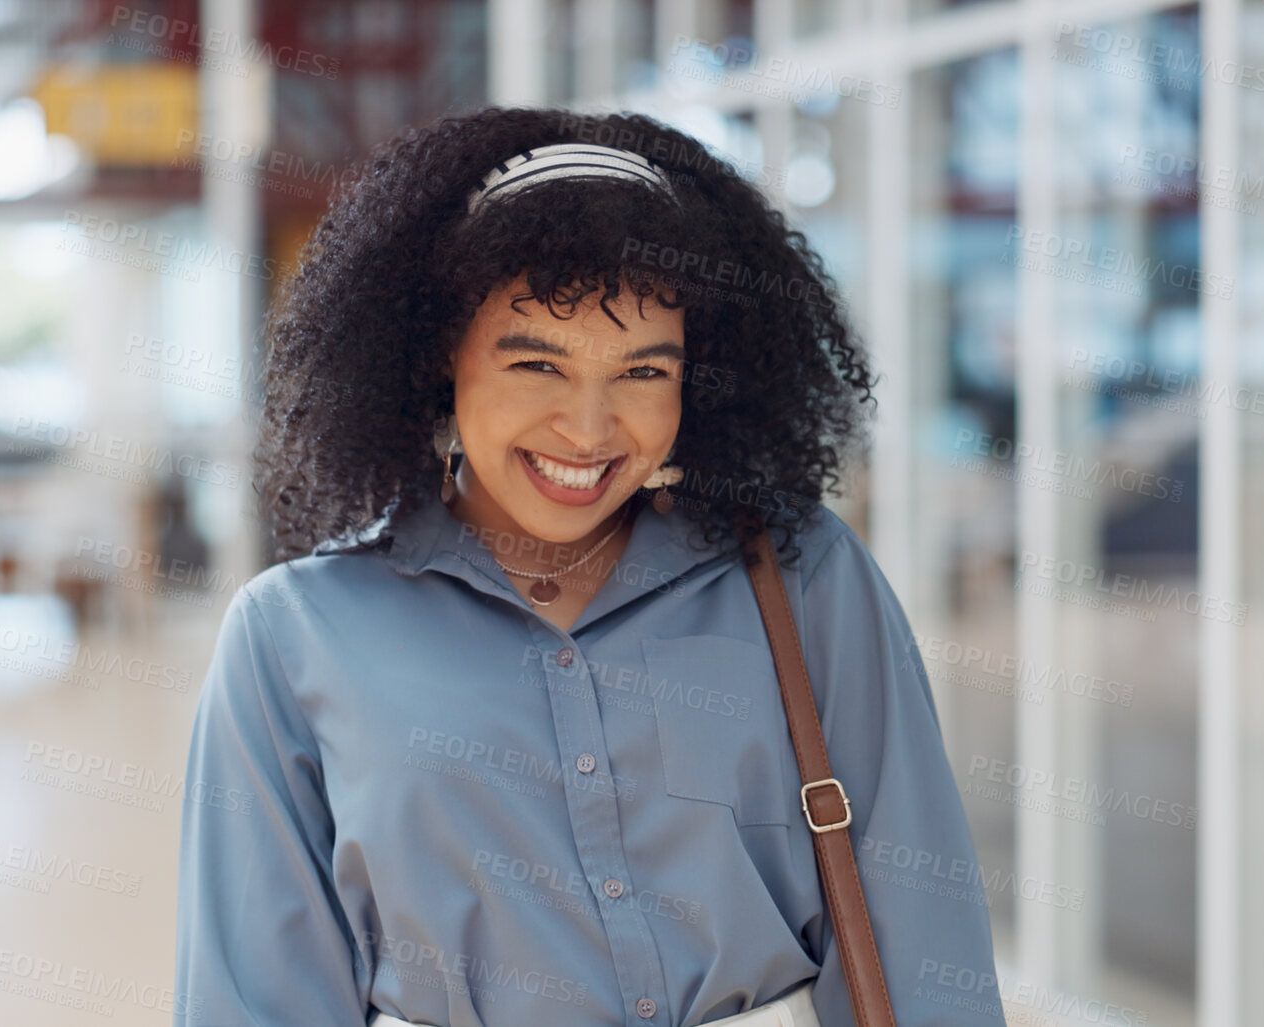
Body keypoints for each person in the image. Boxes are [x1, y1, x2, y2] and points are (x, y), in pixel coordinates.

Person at [174, 106, 1006, 1027]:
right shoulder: (294, 635)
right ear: (439, 357)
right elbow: (253, 995)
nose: (588, 429)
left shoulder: (804, 575)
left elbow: (921, 931)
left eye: (644, 373)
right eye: (537, 364)